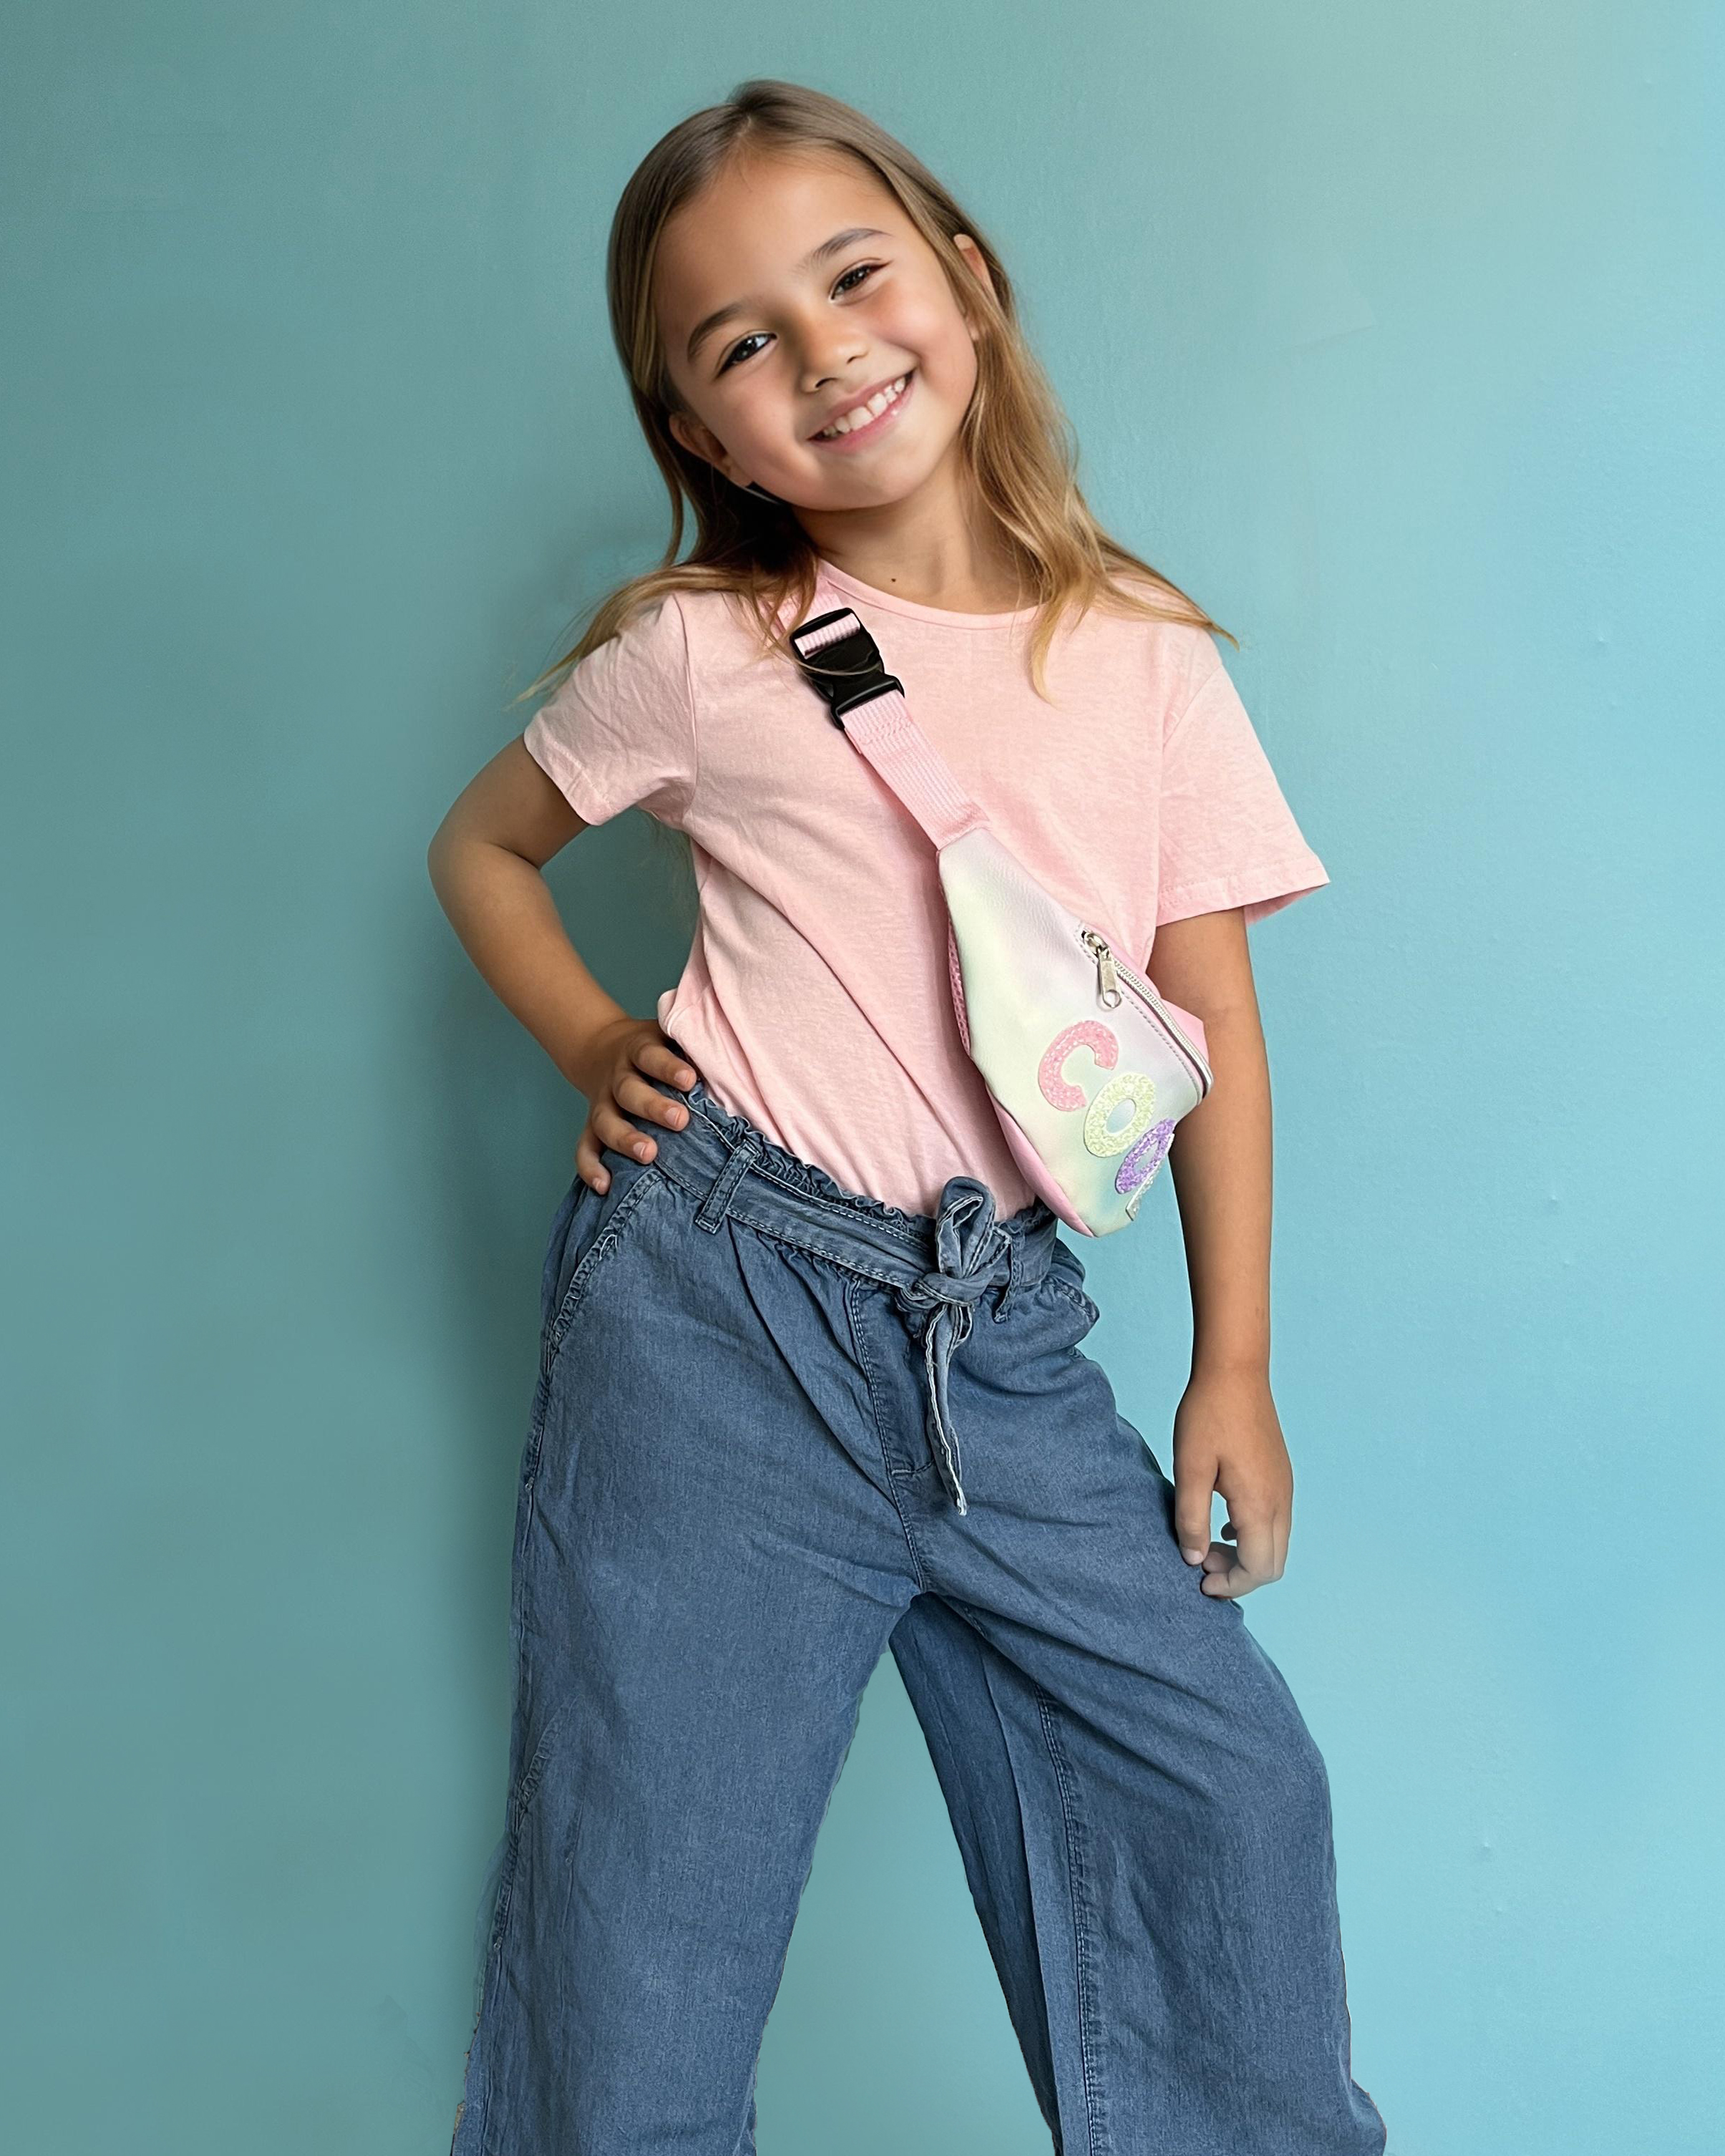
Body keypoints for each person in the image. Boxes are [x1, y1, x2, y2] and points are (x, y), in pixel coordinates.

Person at [427, 76, 1389, 2156]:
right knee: (649, 1896)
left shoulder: (1147, 659)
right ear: (699, 434)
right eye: (741, 344)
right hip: (714, 1318)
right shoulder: (704, 652)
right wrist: (592, 1041)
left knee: (1224, 1792)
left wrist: (1231, 1362)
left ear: (967, 280)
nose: (825, 353)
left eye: (855, 277)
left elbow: (1212, 1017)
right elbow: (482, 850)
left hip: (1002, 1337)